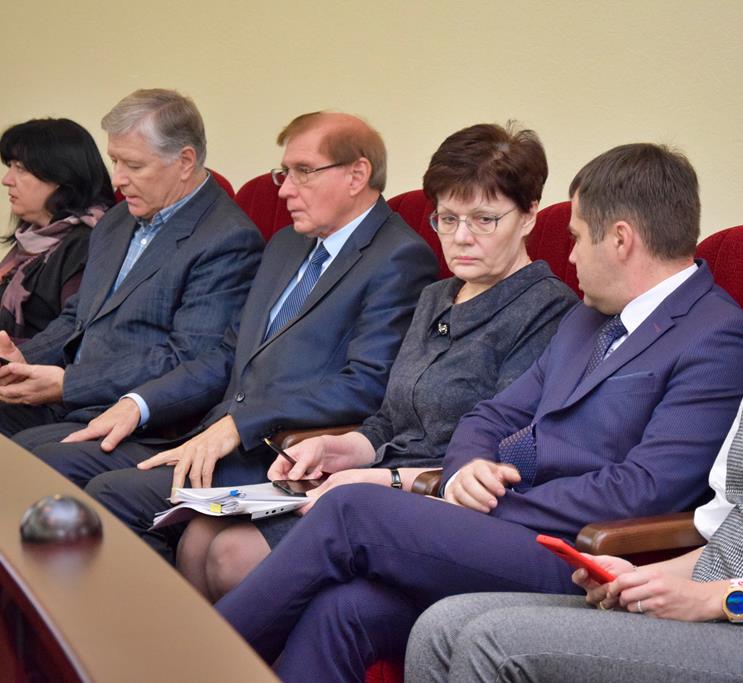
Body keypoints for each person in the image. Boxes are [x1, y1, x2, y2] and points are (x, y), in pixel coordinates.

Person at [211, 143, 743, 681]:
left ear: (620, 239)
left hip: (586, 556)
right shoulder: (588, 318)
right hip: (507, 531)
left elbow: (646, 490)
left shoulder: (718, 339)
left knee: (351, 509)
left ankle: (189, 664)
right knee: (344, 609)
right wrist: (467, 470)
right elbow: (490, 417)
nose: (570, 256)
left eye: (577, 237)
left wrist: (499, 506)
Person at [404, 148, 743, 683]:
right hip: (713, 594)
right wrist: (645, 577)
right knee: (440, 627)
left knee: (492, 639)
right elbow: (726, 521)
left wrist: (719, 598)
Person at [177, 122, 578, 601]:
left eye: (484, 220)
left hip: (439, 503)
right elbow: (390, 419)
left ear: (529, 215)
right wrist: (336, 449)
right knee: (197, 535)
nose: (461, 238)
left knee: (230, 556)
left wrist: (375, 478)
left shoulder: (549, 311)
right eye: (447, 219)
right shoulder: (436, 296)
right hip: (370, 480)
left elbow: (495, 458)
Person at [25, 111, 440, 561]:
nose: (284, 190)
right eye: (285, 172)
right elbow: (228, 353)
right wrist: (139, 403)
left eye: (304, 171)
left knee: (112, 495)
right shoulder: (286, 244)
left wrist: (243, 425)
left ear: (357, 174)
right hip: (211, 432)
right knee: (51, 460)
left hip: (279, 456)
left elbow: (366, 383)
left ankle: (144, 608)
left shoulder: (399, 256)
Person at [0, 89, 263, 437]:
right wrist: (20, 360)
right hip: (64, 403)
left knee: (17, 453)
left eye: (133, 165)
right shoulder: (116, 221)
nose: (117, 179)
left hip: (133, 418)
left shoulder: (227, 239)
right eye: (114, 161)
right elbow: (77, 316)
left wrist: (69, 384)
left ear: (185, 161)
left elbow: (186, 359)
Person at [0, 118, 114, 401]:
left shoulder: (87, 243)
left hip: (39, 385)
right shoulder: (34, 236)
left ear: (62, 176)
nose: (6, 179)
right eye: (10, 166)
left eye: (20, 168)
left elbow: (69, 343)